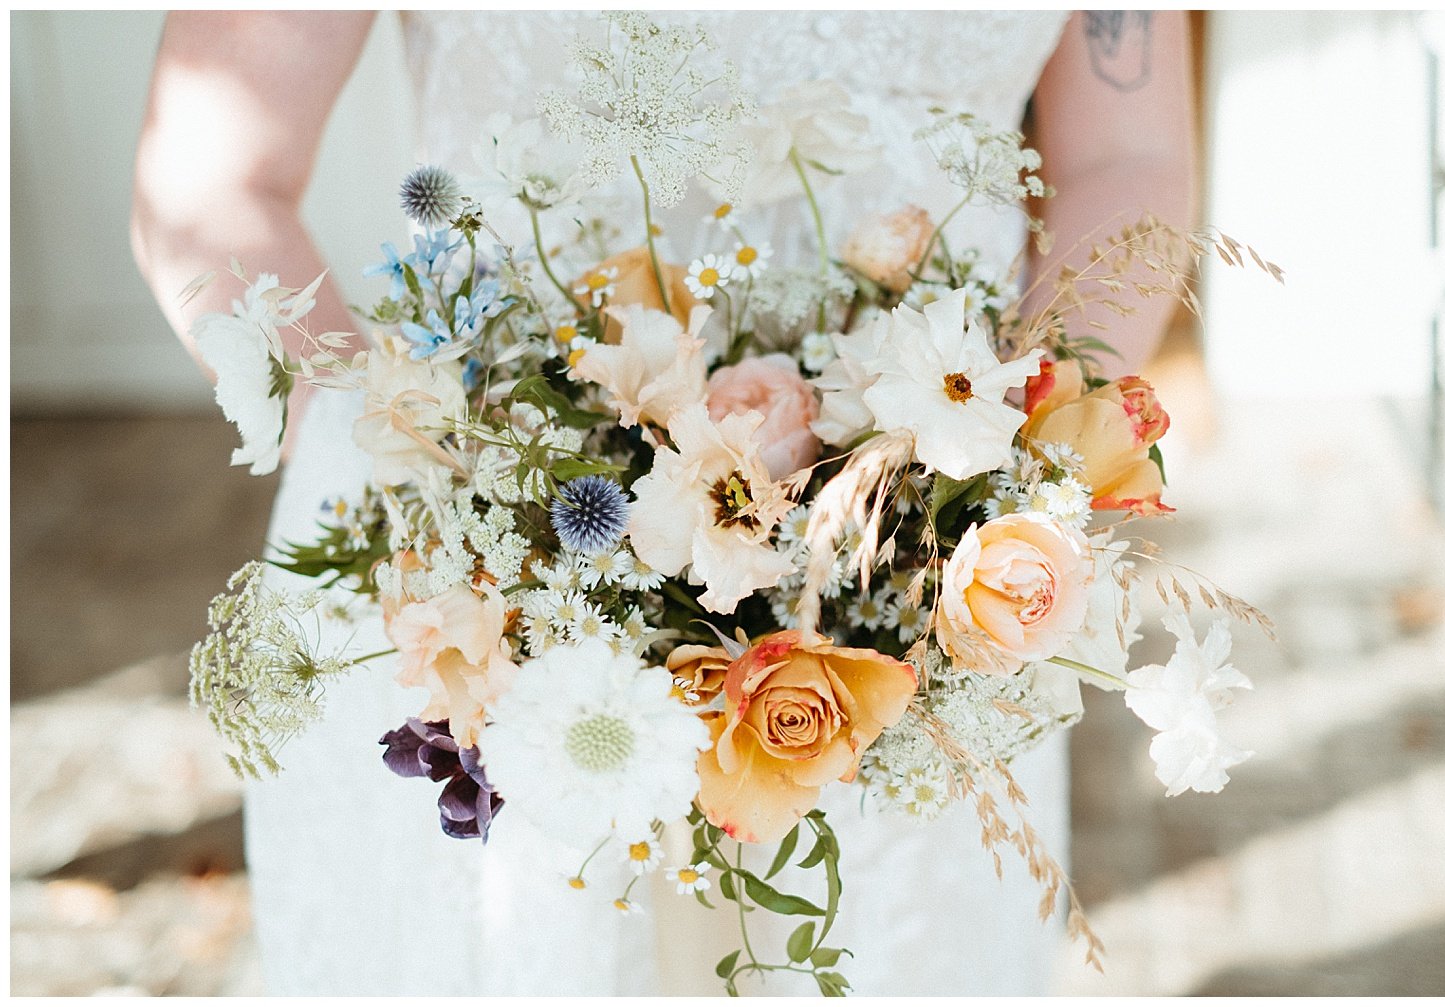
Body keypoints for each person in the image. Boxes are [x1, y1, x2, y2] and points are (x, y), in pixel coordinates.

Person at [132, 11, 1194, 995]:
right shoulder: (469, 529)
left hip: (916, 605)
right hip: (489, 595)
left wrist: (971, 469)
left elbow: (1124, 160)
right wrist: (432, 464)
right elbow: (213, 182)